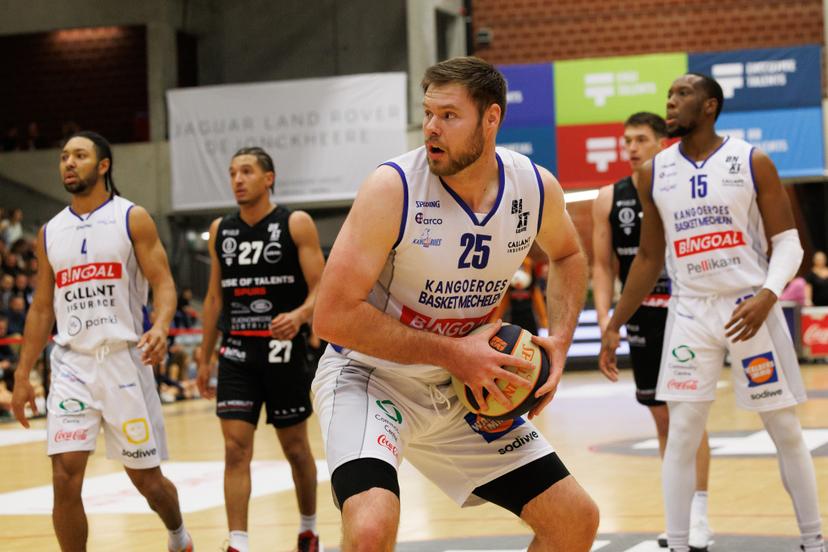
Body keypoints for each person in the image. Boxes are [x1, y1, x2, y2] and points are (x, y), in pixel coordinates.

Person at [312, 56, 599, 552]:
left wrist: (560, 338)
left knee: (575, 521)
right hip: (371, 380)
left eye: (448, 116)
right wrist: (454, 352)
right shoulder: (393, 188)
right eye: (427, 114)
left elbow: (570, 255)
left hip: (466, 387)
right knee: (370, 529)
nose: (431, 128)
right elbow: (331, 316)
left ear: (491, 119)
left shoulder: (533, 187)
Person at [599, 74, 824, 552]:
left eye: (681, 95)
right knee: (681, 431)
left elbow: (788, 244)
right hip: (691, 312)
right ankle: (679, 543)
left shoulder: (751, 160)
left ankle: (814, 539)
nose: (671, 102)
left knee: (783, 427)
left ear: (710, 107)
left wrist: (767, 294)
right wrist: (615, 323)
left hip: (749, 305)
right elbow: (647, 258)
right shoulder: (654, 173)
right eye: (669, 94)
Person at [10, 131, 194, 552]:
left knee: (146, 480)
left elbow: (164, 284)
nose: (68, 163)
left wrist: (162, 325)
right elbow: (41, 308)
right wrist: (22, 374)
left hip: (124, 361)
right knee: (64, 475)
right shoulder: (50, 231)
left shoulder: (133, 218)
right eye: (63, 157)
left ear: (104, 165)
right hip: (72, 363)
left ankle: (178, 535)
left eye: (79, 155)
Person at [592, 111, 712, 548]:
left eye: (641, 139)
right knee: (662, 419)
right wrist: (608, 320)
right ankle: (678, 515)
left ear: (662, 143)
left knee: (688, 418)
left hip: (685, 312)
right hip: (639, 316)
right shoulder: (610, 196)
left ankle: (699, 517)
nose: (632, 148)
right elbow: (602, 266)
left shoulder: (680, 189)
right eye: (627, 141)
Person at [196, 146, 325, 552]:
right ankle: (238, 542)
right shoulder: (221, 229)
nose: (237, 179)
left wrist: (301, 315)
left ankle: (308, 528)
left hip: (283, 352)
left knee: (296, 449)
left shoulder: (295, 223)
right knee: (235, 449)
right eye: (232, 172)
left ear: (268, 178)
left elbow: (322, 288)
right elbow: (214, 297)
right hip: (236, 353)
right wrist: (203, 357)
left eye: (247, 171)